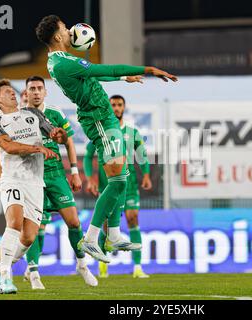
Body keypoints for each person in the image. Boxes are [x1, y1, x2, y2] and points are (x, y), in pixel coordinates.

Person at [35, 15, 177, 263]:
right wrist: (148, 69)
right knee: (118, 180)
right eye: (65, 28)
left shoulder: (61, 61)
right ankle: (92, 238)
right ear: (57, 36)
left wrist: (123, 79)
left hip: (103, 116)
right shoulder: (62, 64)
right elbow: (105, 69)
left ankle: (112, 234)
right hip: (99, 119)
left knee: (120, 179)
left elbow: (93, 77)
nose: (70, 31)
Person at [0, 78, 67, 294]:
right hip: (12, 179)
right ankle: (5, 278)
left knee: (29, 237)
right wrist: (36, 149)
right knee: (14, 223)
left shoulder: (34, 115)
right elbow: (9, 147)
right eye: (7, 92)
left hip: (34, 182)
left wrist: (60, 135)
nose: (13, 94)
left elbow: (54, 134)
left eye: (13, 91)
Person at [84, 95, 152, 278]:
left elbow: (142, 155)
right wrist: (90, 178)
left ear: (124, 107)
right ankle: (103, 265)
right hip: (108, 184)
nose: (116, 107)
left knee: (132, 218)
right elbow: (88, 156)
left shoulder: (132, 132)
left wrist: (146, 174)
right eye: (113, 104)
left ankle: (137, 267)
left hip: (129, 184)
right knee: (106, 225)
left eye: (119, 104)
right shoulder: (103, 130)